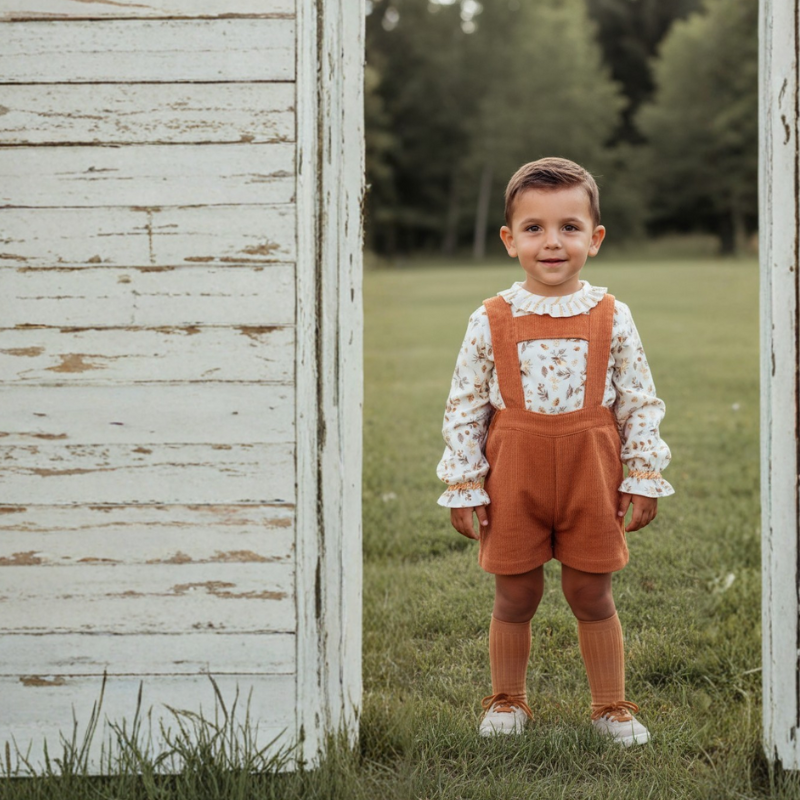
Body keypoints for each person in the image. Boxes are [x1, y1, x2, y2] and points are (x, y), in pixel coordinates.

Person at [436, 157, 674, 746]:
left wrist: (643, 474)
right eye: (534, 228)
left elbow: (639, 400)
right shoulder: (489, 318)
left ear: (595, 238)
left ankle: (610, 706)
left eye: (569, 227)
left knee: (590, 591)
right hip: (513, 477)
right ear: (509, 239)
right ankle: (507, 698)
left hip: (592, 474)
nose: (551, 242)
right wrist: (464, 484)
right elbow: (465, 405)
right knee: (515, 592)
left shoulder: (613, 315)